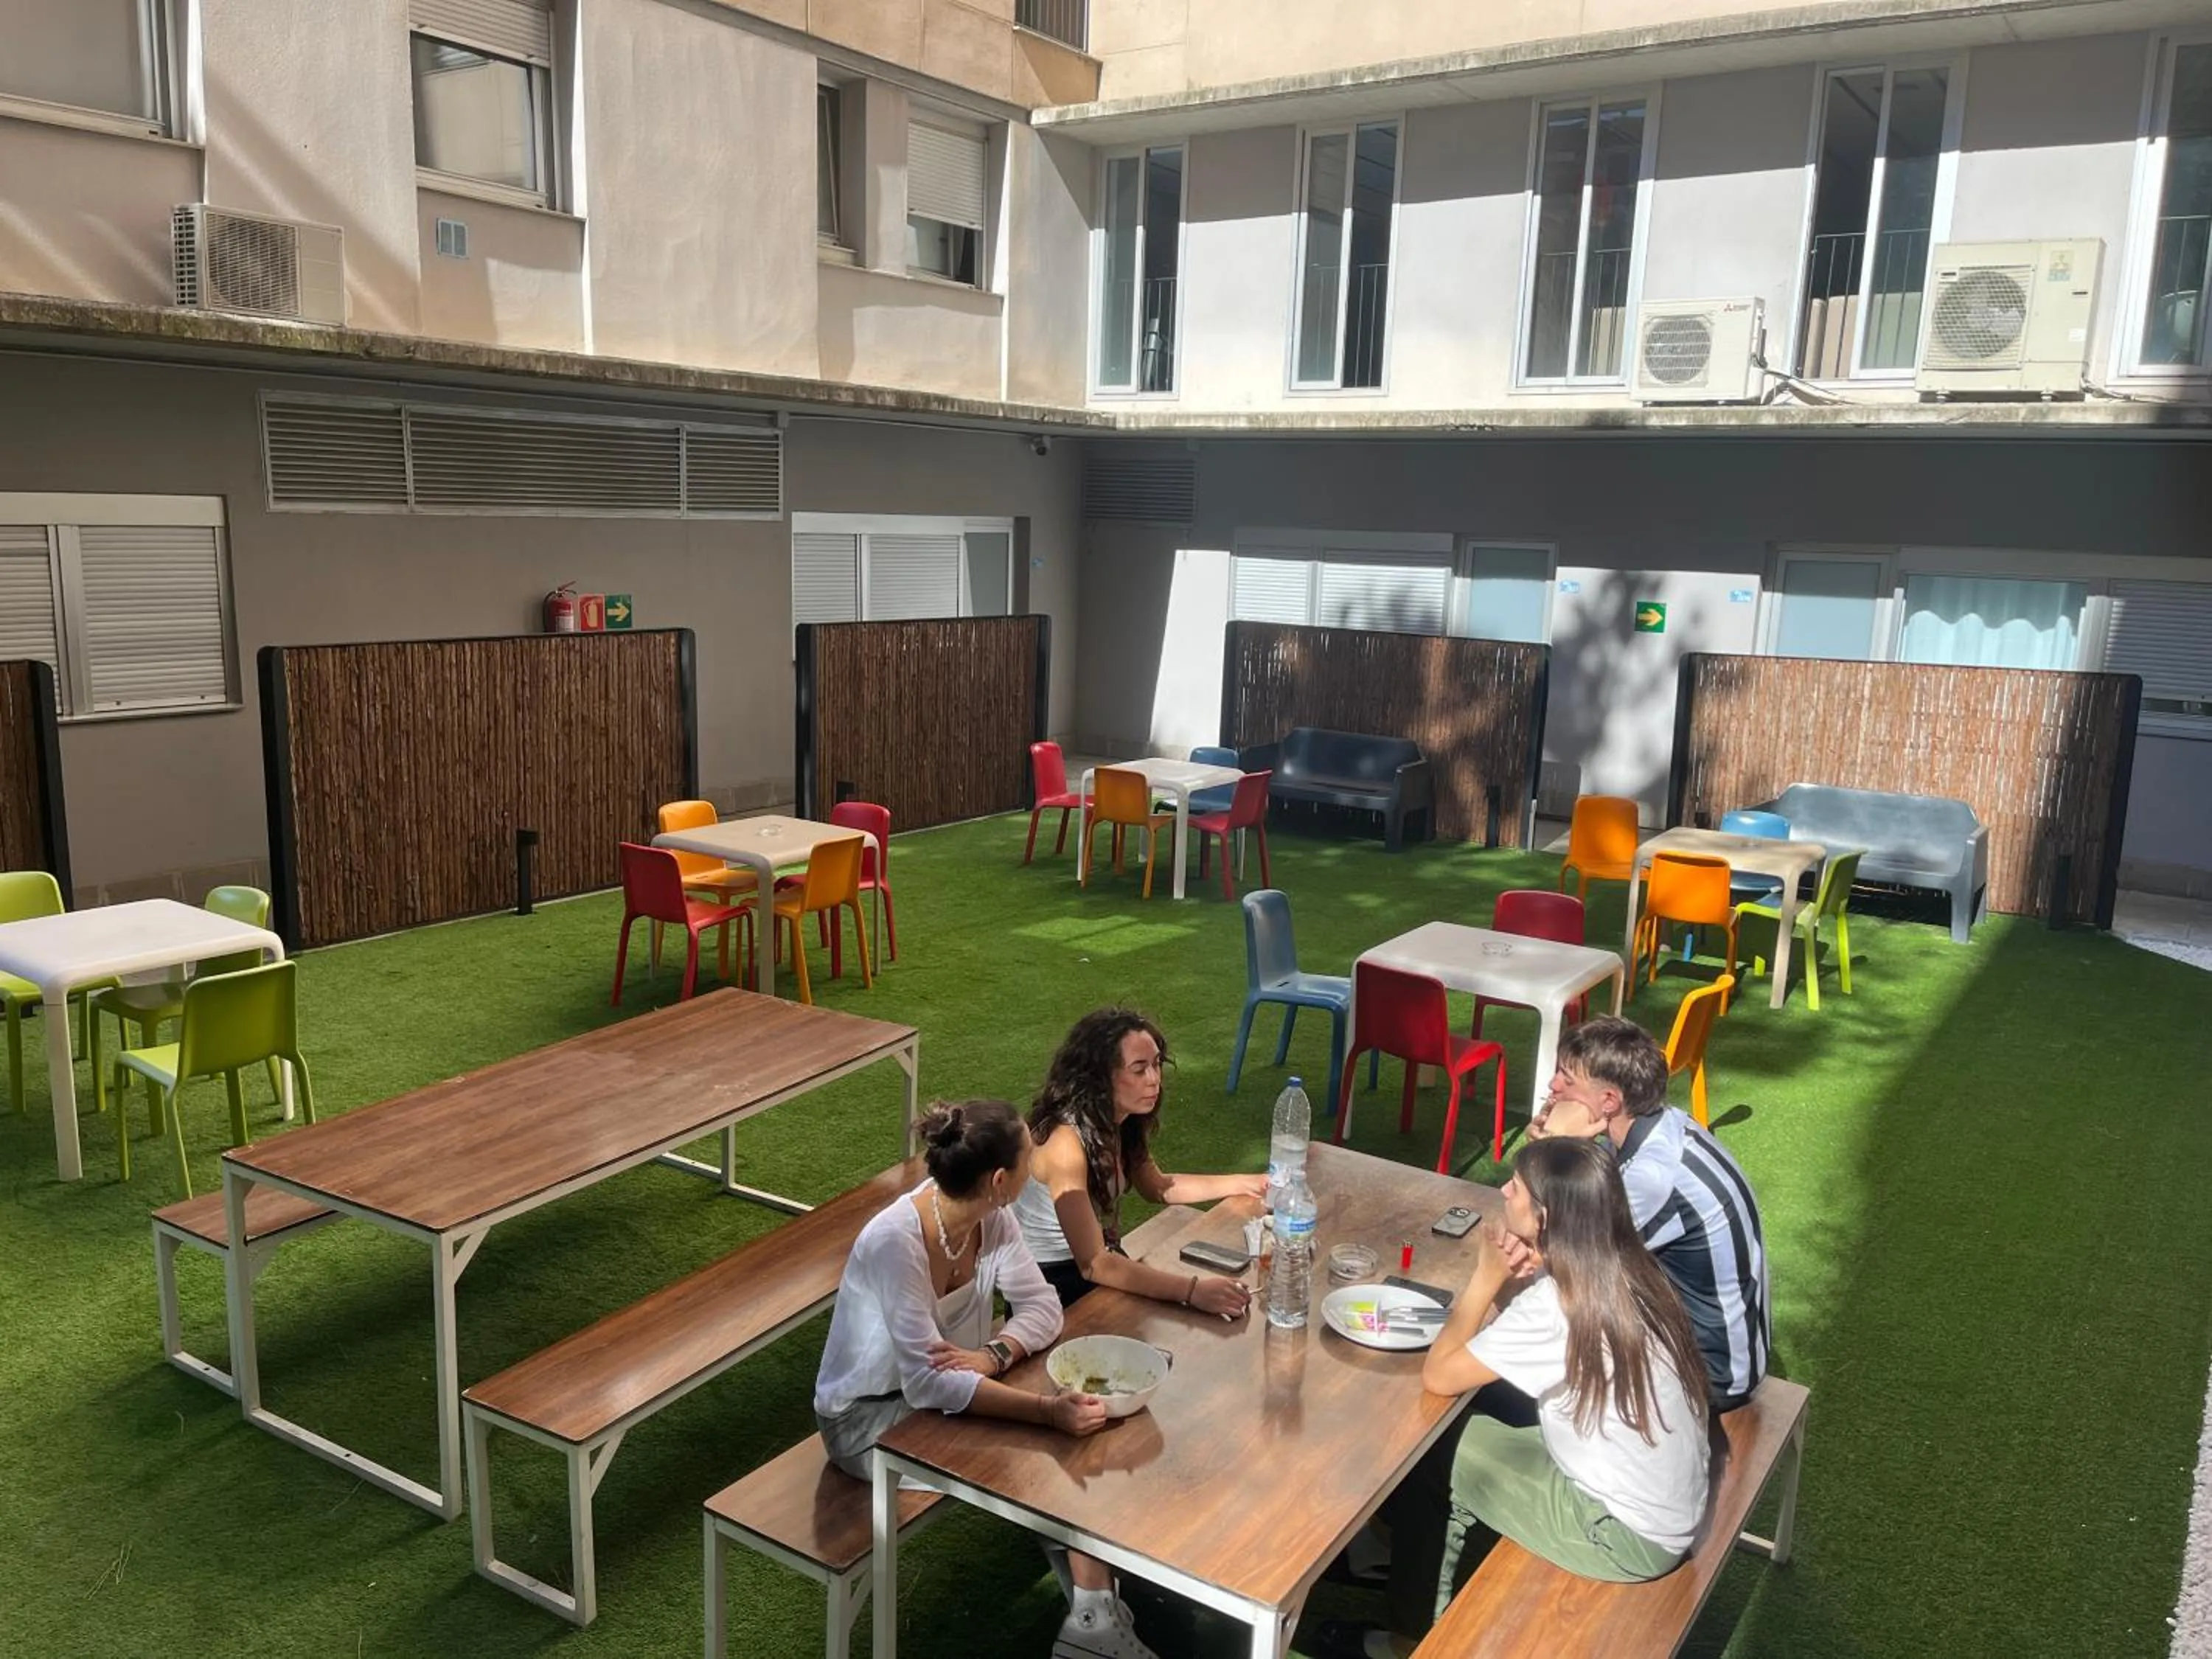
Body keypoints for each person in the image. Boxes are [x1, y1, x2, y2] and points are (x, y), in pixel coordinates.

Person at [1317, 1138, 1715, 1658]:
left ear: (1544, 1216)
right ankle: (1391, 1549)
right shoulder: (1624, 1270)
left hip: (1622, 1534)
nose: (1504, 1189)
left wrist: (1485, 1278)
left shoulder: (1560, 1306)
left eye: (1517, 1187)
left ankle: (1408, 1640)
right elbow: (1531, 1349)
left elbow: (1440, 1374)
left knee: (1429, 1453)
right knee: (1479, 1405)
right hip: (1665, 1500)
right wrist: (1508, 1290)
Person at [813, 1099, 1158, 1659]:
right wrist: (1045, 1412)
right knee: (1040, 1448)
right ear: (1001, 1179)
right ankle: (1096, 1623)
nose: (1038, 1162)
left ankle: (1093, 1620)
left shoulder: (993, 1218)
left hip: (936, 1393)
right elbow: (928, 1382)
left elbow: (1044, 1308)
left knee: (1056, 1439)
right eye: (1030, 1156)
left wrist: (997, 1354)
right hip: (863, 1420)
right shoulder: (893, 1241)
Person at [1527, 1014, 1770, 1411]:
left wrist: (1549, 1154)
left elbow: (1558, 1258)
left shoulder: (1651, 1179)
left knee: (1530, 1362)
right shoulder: (1667, 1125)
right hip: (1719, 1344)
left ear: (1609, 1102)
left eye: (1567, 1079)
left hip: (1711, 1372)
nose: (1553, 1087)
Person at [1017, 1007, 1268, 1316]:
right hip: (1053, 1288)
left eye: (1156, 1065)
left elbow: (1159, 1187)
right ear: (1099, 1077)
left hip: (1099, 1263)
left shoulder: (1120, 1120)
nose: (1154, 1080)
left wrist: (1248, 1182)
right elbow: (1093, 1264)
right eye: (1139, 1070)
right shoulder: (1066, 1145)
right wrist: (1192, 1290)